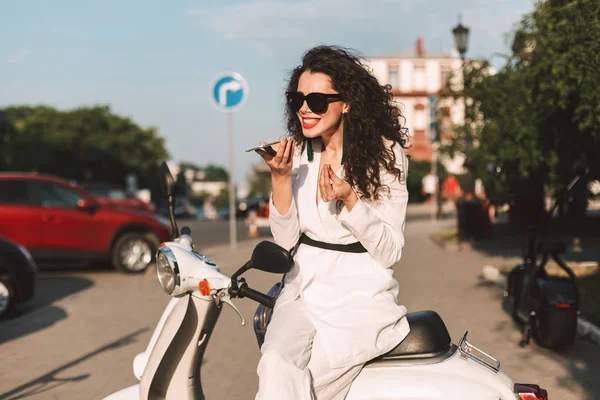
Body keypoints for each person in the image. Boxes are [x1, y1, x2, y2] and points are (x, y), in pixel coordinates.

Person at [254, 45, 410, 400]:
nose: (306, 109)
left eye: (318, 101)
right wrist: (280, 177)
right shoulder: (298, 155)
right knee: (275, 363)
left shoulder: (385, 156)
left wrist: (350, 199)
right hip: (302, 290)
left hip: (357, 297)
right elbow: (286, 241)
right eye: (298, 99)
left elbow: (390, 251)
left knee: (309, 384)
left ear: (347, 103)